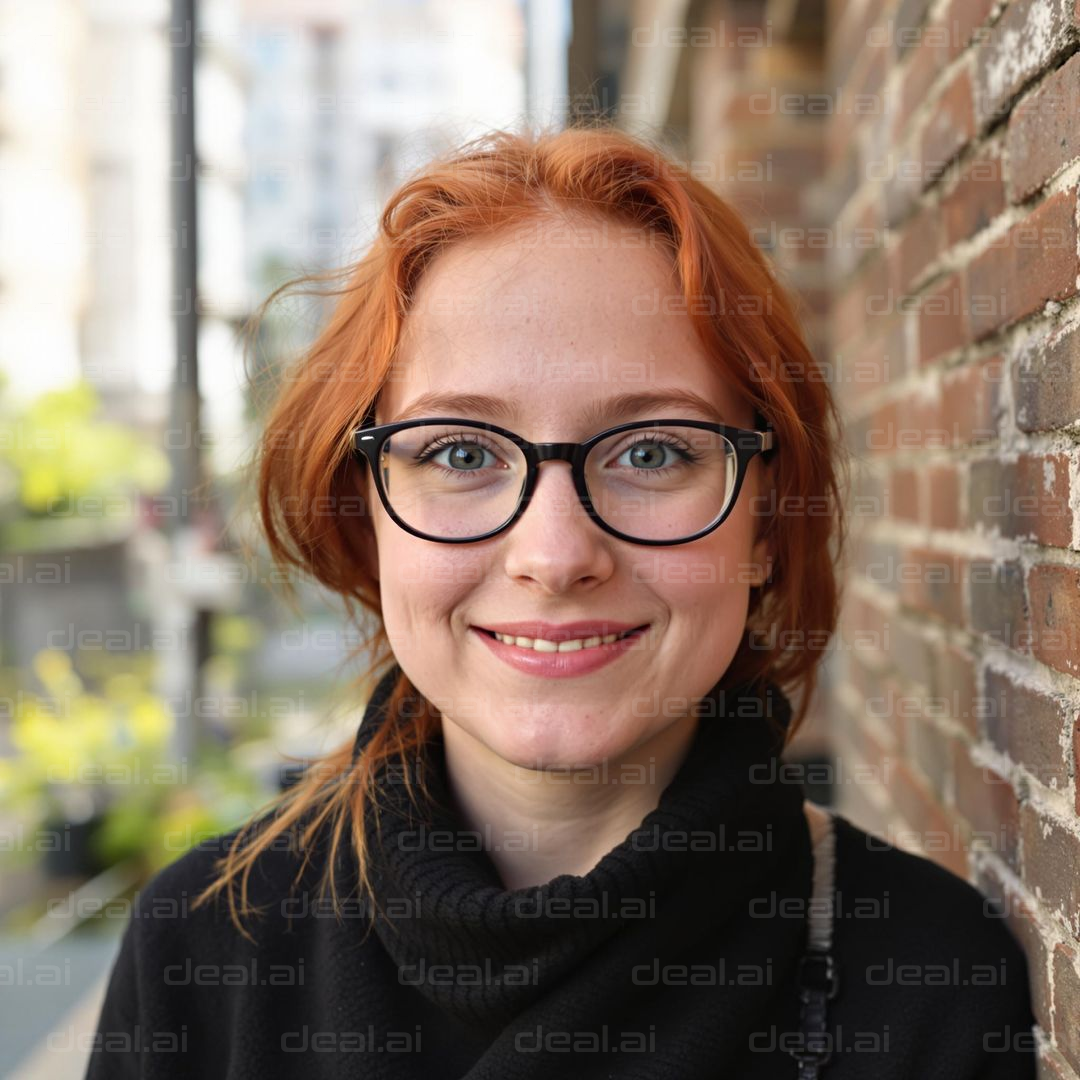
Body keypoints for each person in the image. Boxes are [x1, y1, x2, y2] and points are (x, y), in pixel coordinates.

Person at [85, 125, 1037, 1078]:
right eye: (460, 453)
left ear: (765, 524)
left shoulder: (925, 975)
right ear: (366, 515)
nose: (553, 555)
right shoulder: (202, 952)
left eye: (654, 452)